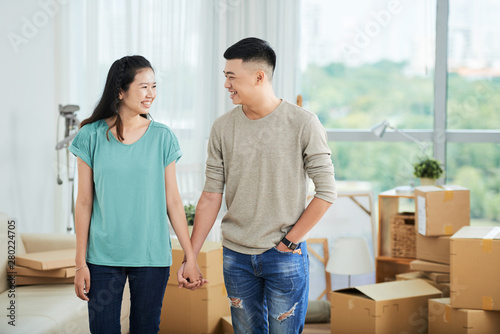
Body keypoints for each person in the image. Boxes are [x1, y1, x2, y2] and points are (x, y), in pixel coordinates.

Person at [177, 38, 337, 334]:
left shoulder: (303, 123)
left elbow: (327, 192)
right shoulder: (223, 127)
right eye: (225, 76)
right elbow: (211, 195)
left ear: (259, 76)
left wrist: (289, 242)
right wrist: (191, 256)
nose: (226, 84)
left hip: (284, 256)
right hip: (235, 256)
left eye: (231, 76)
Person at [70, 55, 203, 334]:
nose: (151, 94)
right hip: (103, 258)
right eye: (144, 87)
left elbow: (174, 203)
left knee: (146, 329)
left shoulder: (162, 137)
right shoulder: (90, 135)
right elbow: (83, 202)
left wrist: (190, 258)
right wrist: (80, 262)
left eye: (154, 86)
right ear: (120, 90)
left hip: (151, 256)